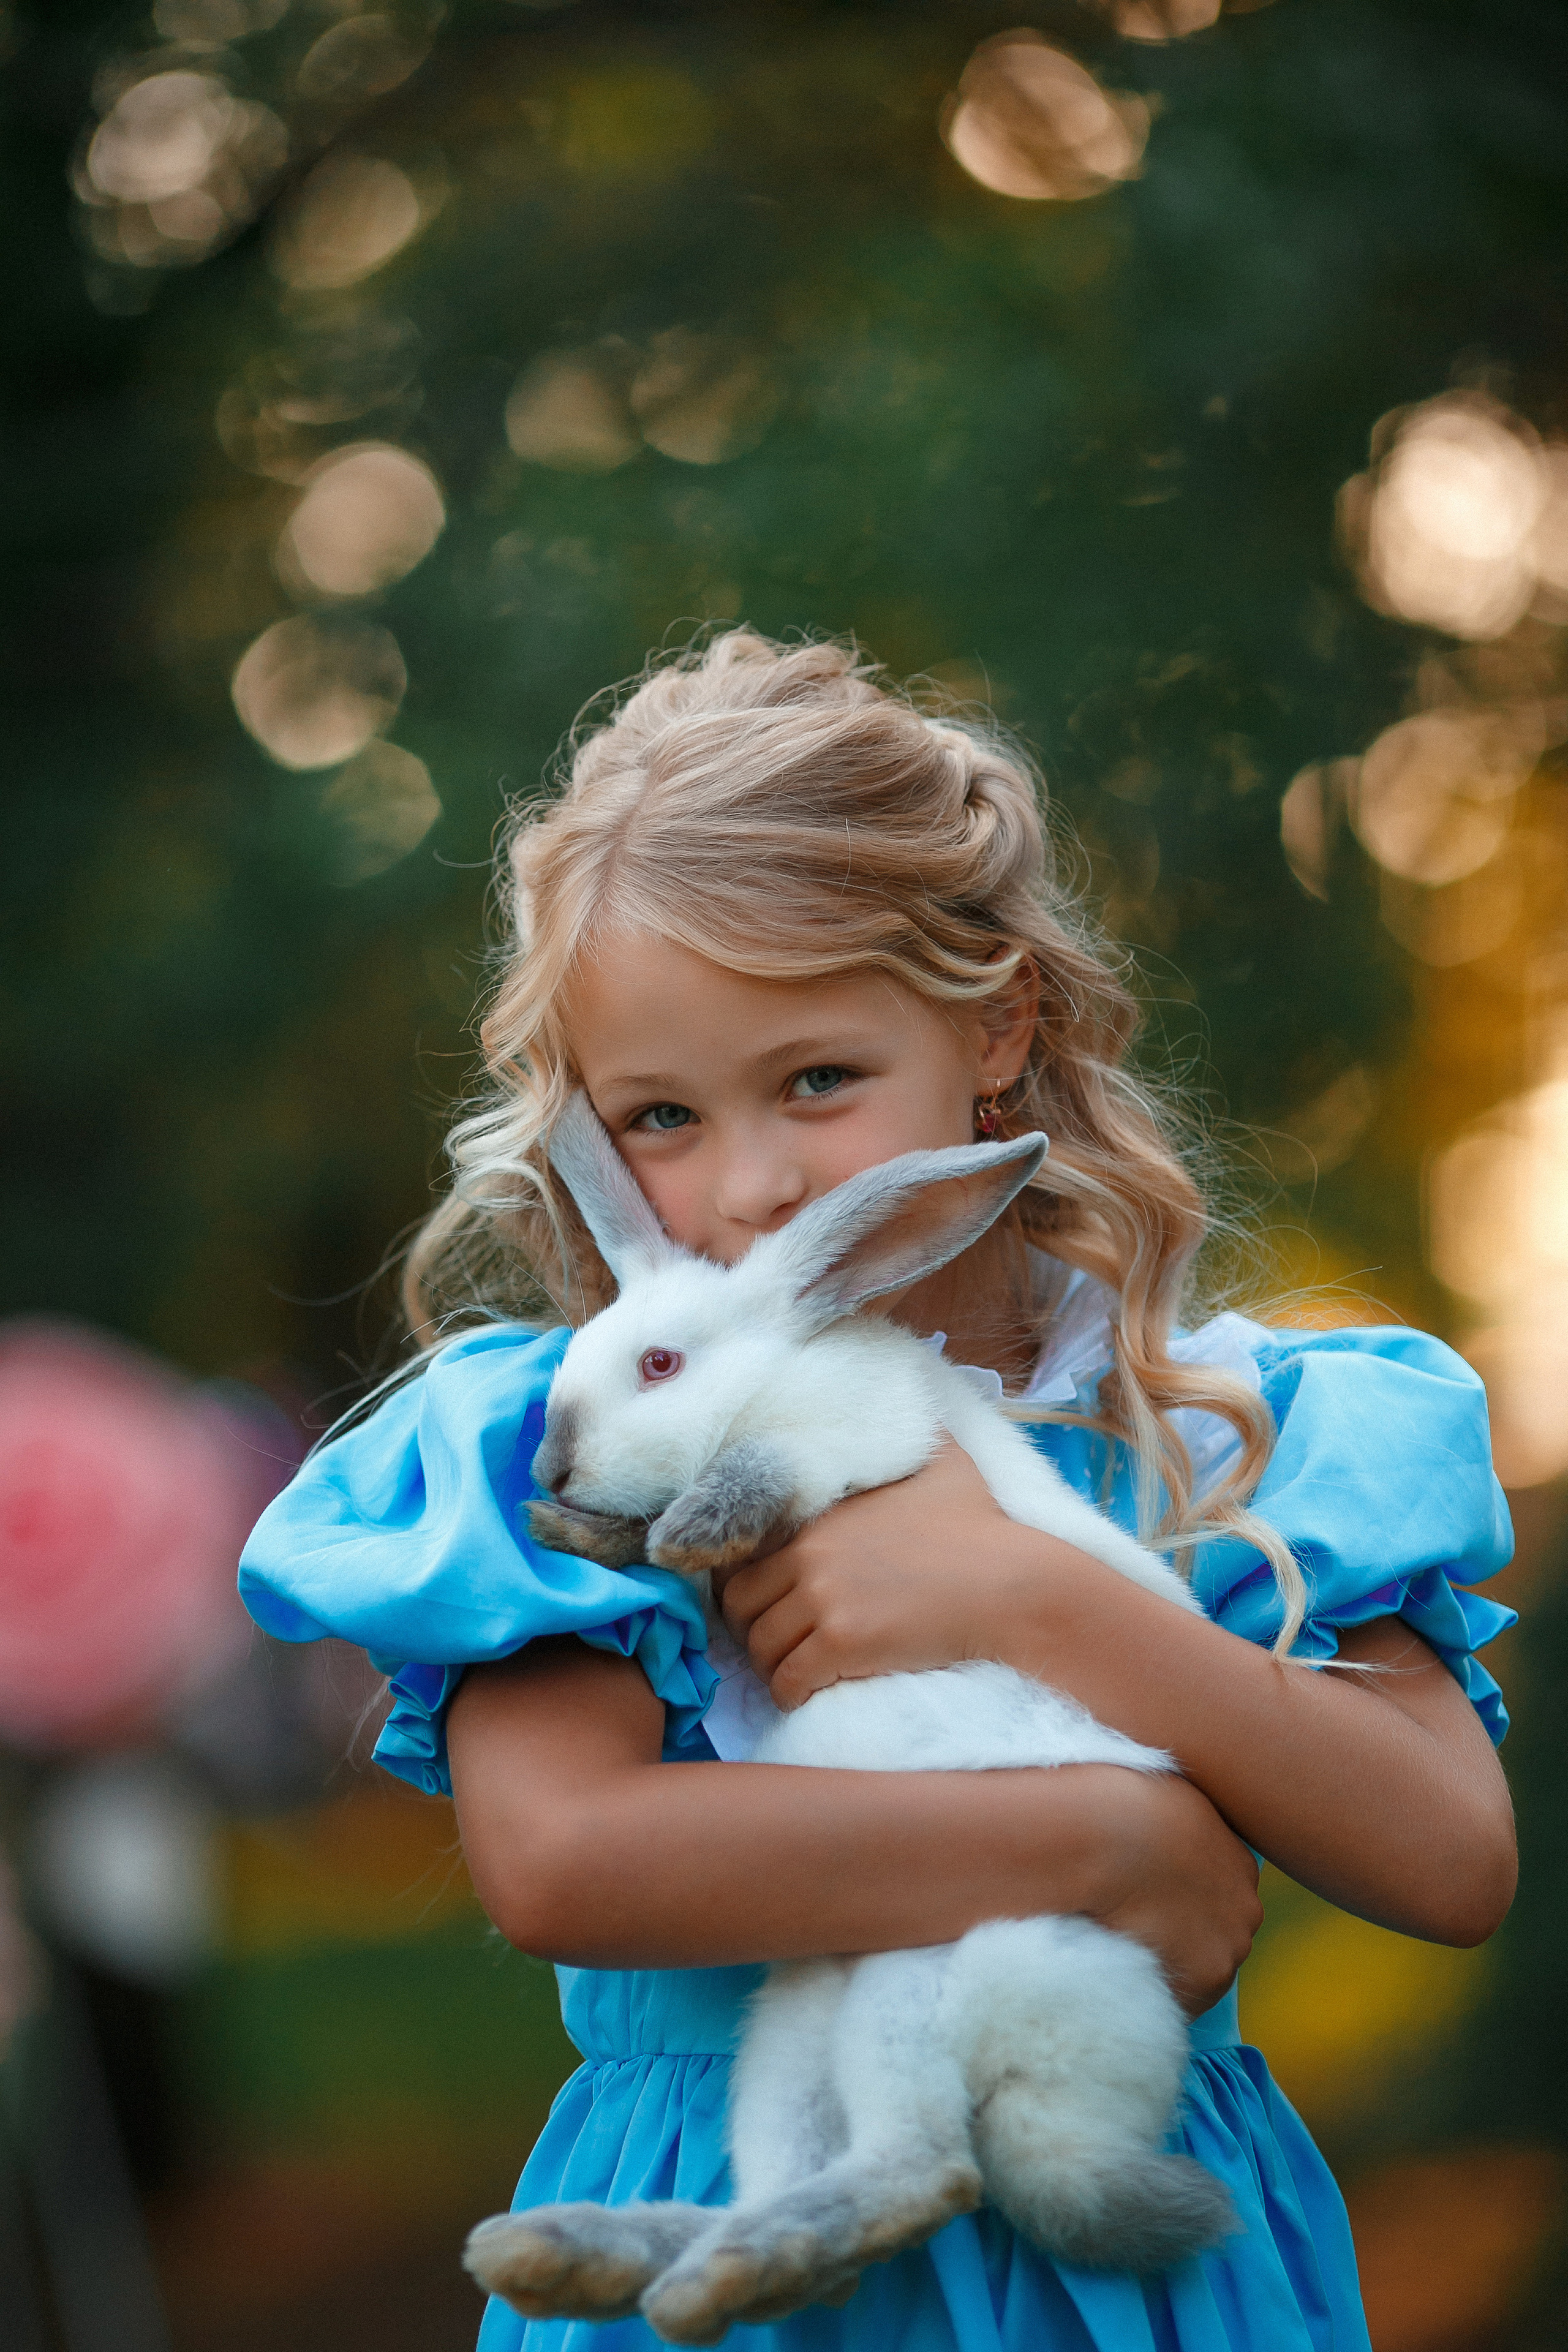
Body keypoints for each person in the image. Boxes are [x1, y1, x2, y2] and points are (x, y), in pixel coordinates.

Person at [240, 629, 1518, 2352]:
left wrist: (1028, 1593)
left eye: (819, 1082)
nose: (753, 1186)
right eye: (662, 1118)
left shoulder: (1217, 1430)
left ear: (1000, 1025)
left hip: (1131, 2277)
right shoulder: (576, 1442)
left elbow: (1448, 1858)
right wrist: (1113, 1843)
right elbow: (565, 1860)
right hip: (723, 2245)